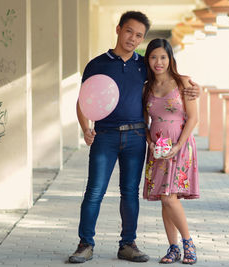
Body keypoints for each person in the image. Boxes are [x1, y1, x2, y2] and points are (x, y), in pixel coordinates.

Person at [69, 11, 200, 264]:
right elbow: (82, 100)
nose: (133, 38)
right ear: (118, 29)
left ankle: (128, 244)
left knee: (129, 192)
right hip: (104, 136)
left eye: (139, 35)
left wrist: (196, 89)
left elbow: (172, 82)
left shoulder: (145, 65)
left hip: (137, 136)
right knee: (94, 191)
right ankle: (85, 244)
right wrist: (85, 128)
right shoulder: (97, 64)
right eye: (129, 31)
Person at [142, 38, 199, 265]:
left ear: (170, 59)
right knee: (165, 199)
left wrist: (177, 145)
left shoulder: (183, 82)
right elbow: (143, 121)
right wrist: (150, 143)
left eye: (163, 57)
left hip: (180, 144)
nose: (158, 62)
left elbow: (194, 118)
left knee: (169, 197)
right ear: (148, 59)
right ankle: (173, 248)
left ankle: (188, 243)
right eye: (154, 57)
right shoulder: (146, 88)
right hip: (157, 148)